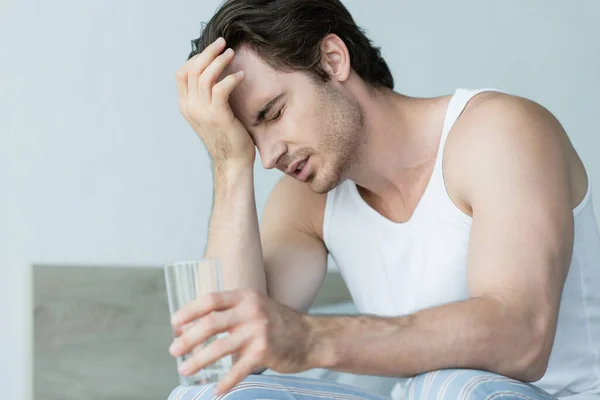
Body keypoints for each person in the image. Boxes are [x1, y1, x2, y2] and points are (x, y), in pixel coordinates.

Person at [167, 0, 600, 399]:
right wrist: (228, 163)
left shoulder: (495, 133)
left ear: (333, 60)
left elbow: (521, 338)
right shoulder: (306, 201)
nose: (268, 156)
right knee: (206, 396)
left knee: (446, 387)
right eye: (250, 138)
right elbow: (228, 358)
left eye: (273, 113)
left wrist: (311, 338)